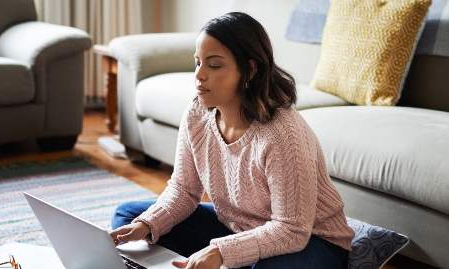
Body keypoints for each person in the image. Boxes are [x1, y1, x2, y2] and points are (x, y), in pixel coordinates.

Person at [109, 12, 354, 269]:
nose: (199, 75)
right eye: (198, 62)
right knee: (130, 218)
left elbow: (291, 230)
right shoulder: (196, 115)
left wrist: (221, 252)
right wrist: (147, 224)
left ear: (249, 69)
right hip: (237, 229)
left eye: (214, 65)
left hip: (313, 241)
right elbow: (183, 190)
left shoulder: (283, 134)